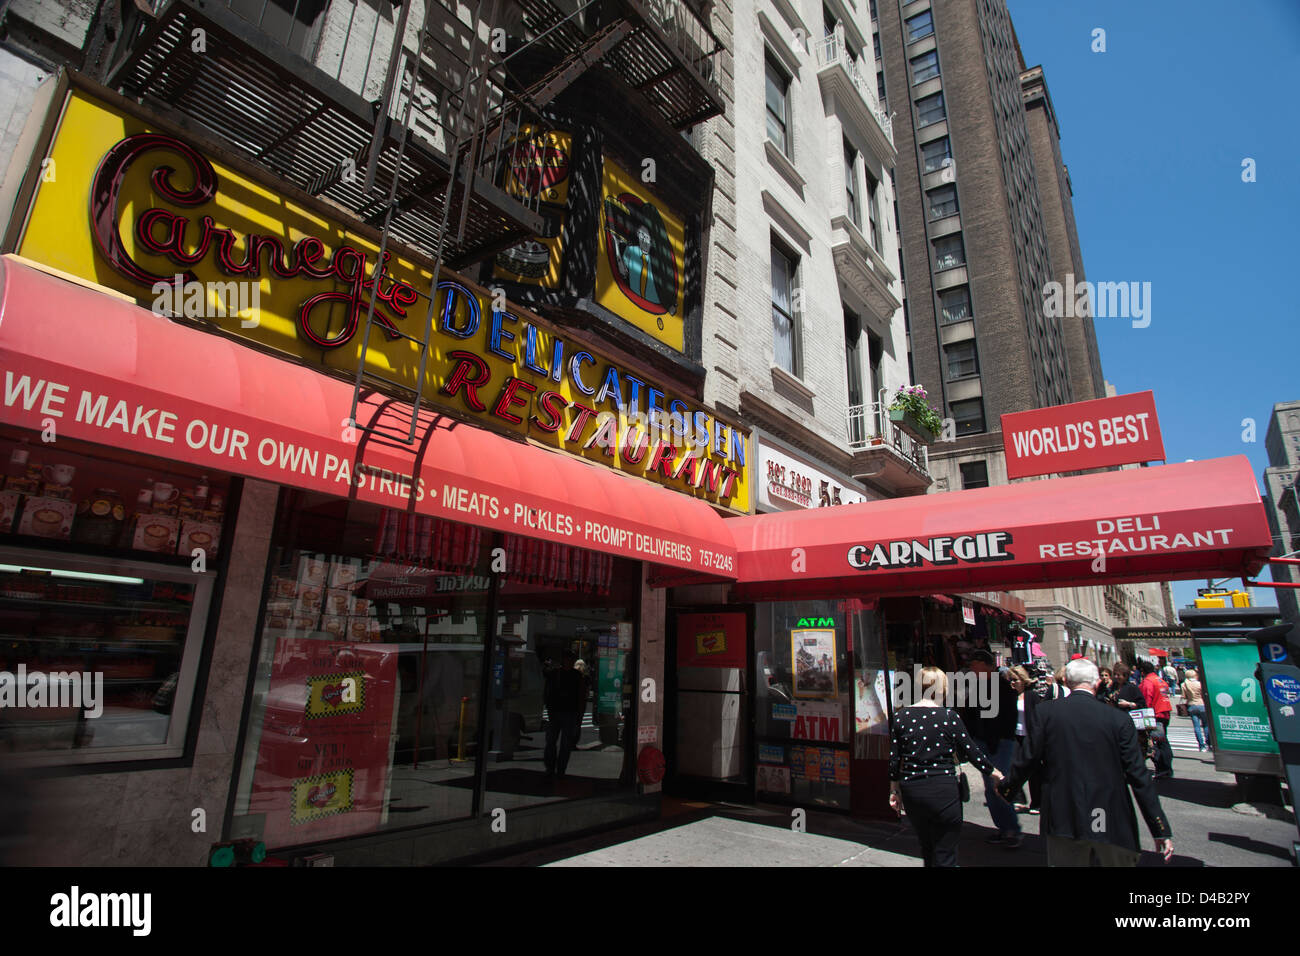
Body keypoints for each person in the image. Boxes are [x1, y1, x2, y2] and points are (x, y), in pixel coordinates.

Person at [998, 658, 1174, 866]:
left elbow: (1028, 759)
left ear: (1067, 682)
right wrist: (1159, 827)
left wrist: (1007, 789)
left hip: (1064, 815)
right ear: (1097, 682)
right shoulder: (1117, 719)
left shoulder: (1046, 713)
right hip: (1109, 814)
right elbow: (1138, 775)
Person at [889, 666, 1002, 867]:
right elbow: (971, 751)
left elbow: (894, 759)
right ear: (942, 687)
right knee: (945, 852)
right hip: (943, 789)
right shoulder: (949, 717)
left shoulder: (901, 716)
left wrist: (894, 790)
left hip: (912, 790)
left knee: (927, 848)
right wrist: (993, 772)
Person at [974, 666, 1023, 847]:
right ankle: (1003, 828)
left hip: (999, 743)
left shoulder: (1003, 690)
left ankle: (1012, 829)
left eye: (976, 665)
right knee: (990, 787)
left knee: (998, 786)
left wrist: (997, 739)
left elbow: (1006, 720)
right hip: (984, 741)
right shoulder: (977, 688)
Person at [544, 650, 585, 778]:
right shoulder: (559, 674)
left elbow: (581, 696)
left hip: (566, 712)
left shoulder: (574, 676)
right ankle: (553, 768)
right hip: (560, 712)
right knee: (554, 742)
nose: (568, 662)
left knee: (562, 743)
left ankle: (558, 769)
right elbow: (548, 692)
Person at [1139, 661, 1175, 778]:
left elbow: (1146, 699)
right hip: (1164, 713)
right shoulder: (1160, 680)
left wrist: (1145, 715)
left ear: (1142, 671)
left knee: (1157, 743)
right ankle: (1166, 768)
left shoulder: (1148, 682)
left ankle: (1163, 768)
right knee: (1163, 742)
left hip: (1156, 715)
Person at [1180, 668, 1209, 752]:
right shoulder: (1199, 684)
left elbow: (1184, 696)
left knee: (1196, 727)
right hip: (1201, 704)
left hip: (1191, 705)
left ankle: (1201, 745)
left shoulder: (1184, 685)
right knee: (1205, 725)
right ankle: (1208, 743)